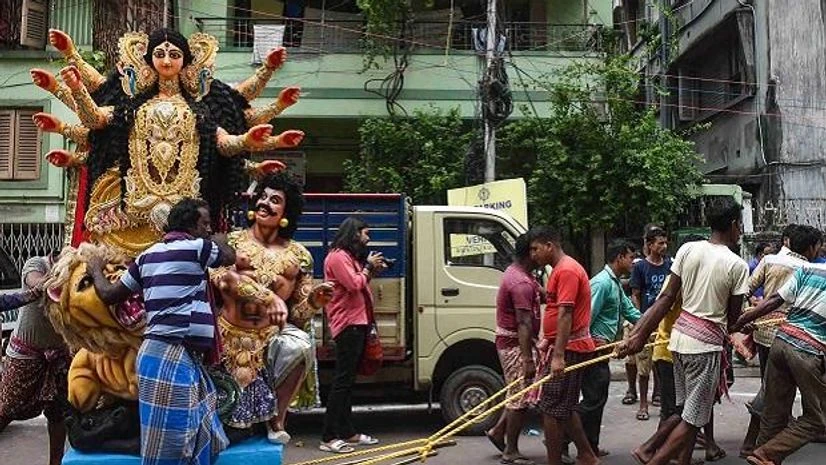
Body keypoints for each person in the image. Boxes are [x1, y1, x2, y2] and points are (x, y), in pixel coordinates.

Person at [89, 198, 236, 465]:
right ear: (190, 225)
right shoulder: (198, 247)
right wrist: (221, 238)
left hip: (166, 356)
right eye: (205, 223)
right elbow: (229, 256)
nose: (208, 229)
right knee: (174, 441)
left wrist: (96, 269)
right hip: (170, 354)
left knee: (194, 430)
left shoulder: (147, 256)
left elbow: (109, 294)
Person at [618, 197, 749, 465]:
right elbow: (733, 319)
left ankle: (670, 456)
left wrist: (638, 335)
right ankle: (655, 459)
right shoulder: (737, 265)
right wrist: (747, 322)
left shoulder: (688, 249)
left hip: (678, 341)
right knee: (693, 419)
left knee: (686, 410)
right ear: (735, 224)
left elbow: (665, 298)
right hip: (704, 347)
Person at [212, 172, 333, 444]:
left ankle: (277, 418)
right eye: (263, 197)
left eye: (275, 200)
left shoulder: (299, 256)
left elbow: (298, 316)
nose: (265, 203)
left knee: (299, 344)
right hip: (227, 333)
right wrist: (269, 297)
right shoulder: (232, 242)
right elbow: (222, 280)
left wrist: (314, 302)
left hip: (268, 338)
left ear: (286, 212)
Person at [731, 228, 825, 465]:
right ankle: (766, 454)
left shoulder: (807, 270)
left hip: (781, 342)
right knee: (817, 420)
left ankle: (760, 454)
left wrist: (739, 322)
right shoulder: (804, 266)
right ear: (813, 247)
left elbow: (773, 300)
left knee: (773, 415)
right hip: (807, 350)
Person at [528, 226, 599, 465]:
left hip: (569, 348)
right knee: (564, 407)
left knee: (550, 407)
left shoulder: (567, 270)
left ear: (549, 246)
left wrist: (558, 356)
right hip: (563, 345)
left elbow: (566, 313)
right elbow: (556, 308)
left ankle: (555, 461)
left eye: (536, 249)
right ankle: (587, 455)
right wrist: (548, 339)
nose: (533, 255)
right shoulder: (559, 269)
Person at [321, 217, 387, 454]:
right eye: (365, 233)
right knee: (342, 382)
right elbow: (353, 284)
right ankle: (328, 436)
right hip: (348, 324)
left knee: (348, 383)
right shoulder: (338, 257)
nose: (367, 239)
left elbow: (360, 283)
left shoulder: (348, 257)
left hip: (357, 323)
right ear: (354, 233)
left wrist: (371, 270)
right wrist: (368, 267)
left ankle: (347, 431)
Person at [0, 252, 70, 465]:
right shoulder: (37, 264)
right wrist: (63, 279)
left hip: (59, 356)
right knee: (6, 409)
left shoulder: (79, 274)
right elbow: (35, 283)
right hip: (25, 355)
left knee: (57, 413)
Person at [579, 240, 641, 456]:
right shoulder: (602, 283)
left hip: (603, 350)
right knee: (593, 399)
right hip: (594, 350)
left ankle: (591, 446)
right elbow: (586, 319)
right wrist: (593, 343)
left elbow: (630, 311)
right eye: (631, 257)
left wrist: (652, 325)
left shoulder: (614, 283)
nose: (633, 262)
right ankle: (562, 437)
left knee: (598, 398)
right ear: (619, 257)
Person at [485, 233, 542, 465]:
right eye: (538, 249)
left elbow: (542, 294)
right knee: (520, 398)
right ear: (531, 252)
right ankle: (511, 451)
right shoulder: (520, 282)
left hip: (513, 343)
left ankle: (498, 432)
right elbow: (523, 323)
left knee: (516, 393)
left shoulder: (521, 275)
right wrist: (528, 359)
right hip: (514, 345)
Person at [629, 227, 671, 421]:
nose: (664, 246)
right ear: (650, 245)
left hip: (664, 322)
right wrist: (640, 320)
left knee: (660, 362)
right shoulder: (640, 267)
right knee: (643, 365)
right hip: (647, 320)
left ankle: (658, 395)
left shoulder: (670, 265)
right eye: (660, 243)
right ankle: (643, 404)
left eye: (665, 242)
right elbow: (635, 294)